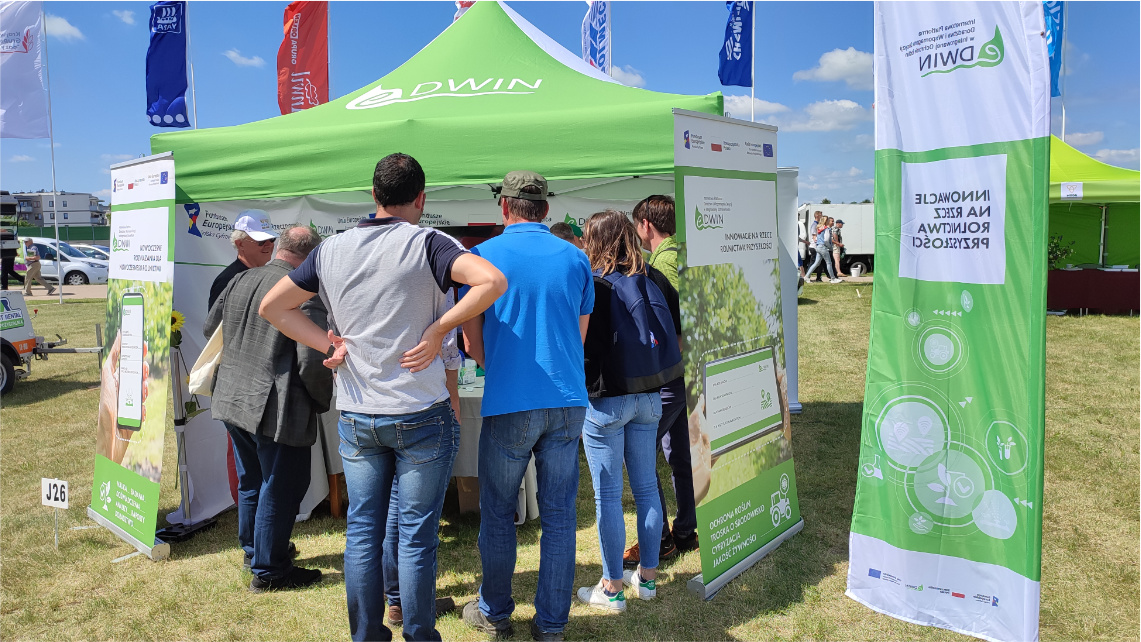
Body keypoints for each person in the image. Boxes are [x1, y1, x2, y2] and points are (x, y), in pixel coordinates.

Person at [259, 153, 506, 642]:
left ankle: (367, 635)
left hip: (357, 414)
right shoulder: (429, 243)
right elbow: (492, 281)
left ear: (373, 196)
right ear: (420, 199)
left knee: (363, 533)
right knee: (415, 538)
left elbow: (274, 306)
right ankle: (418, 634)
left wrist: (327, 342)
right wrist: (440, 329)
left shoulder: (332, 249)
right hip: (420, 411)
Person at [459, 170, 593, 641]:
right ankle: (552, 625)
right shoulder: (576, 259)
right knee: (559, 514)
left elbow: (472, 347)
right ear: (547, 209)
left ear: (504, 207)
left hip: (510, 401)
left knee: (498, 512)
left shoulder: (480, 257)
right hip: (566, 400)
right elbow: (578, 338)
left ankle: (495, 613)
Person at [205, 226, 332, 593]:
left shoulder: (240, 279)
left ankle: (255, 552)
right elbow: (312, 358)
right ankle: (270, 570)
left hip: (232, 396)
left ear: (280, 248)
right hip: (275, 404)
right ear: (312, 257)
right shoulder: (301, 290)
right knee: (282, 485)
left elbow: (211, 328)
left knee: (253, 481)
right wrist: (320, 401)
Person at [577, 210, 683, 612]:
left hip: (606, 401)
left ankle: (612, 588)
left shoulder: (594, 284)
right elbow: (675, 332)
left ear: (594, 240)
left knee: (608, 497)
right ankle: (649, 581)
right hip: (651, 395)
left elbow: (582, 343)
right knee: (645, 488)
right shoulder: (655, 277)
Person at [381, 289, 463, 627]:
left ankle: (397, 602)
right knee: (417, 520)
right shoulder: (432, 273)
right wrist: (454, 404)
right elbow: (449, 353)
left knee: (385, 516)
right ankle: (414, 608)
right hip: (422, 409)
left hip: (368, 408)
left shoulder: (352, 268)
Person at [627, 195, 698, 569]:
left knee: (643, 450)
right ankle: (686, 528)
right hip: (688, 369)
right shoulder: (681, 252)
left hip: (672, 370)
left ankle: (663, 540)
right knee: (678, 450)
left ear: (645, 225)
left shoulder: (663, 262)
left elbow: (673, 318)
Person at [208, 210, 278, 311]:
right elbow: (216, 324)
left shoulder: (268, 275)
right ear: (240, 244)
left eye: (272, 239)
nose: (269, 245)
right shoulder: (227, 281)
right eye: (261, 241)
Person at [806, 216, 841, 283]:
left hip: (818, 247)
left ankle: (807, 276)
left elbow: (817, 238)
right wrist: (830, 247)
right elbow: (826, 240)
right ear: (826, 221)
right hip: (823, 247)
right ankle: (833, 278)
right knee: (829, 263)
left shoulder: (819, 228)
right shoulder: (826, 229)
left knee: (816, 263)